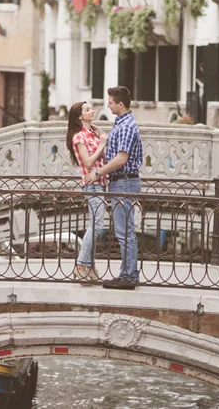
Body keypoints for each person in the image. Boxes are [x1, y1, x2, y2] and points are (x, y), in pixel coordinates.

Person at [87, 85, 143, 290]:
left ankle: (128, 277)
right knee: (124, 230)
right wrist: (102, 136)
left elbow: (121, 158)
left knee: (124, 231)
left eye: (110, 102)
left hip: (125, 181)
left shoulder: (127, 126)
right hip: (121, 181)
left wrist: (97, 173)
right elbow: (113, 152)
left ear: (120, 104)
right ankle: (129, 274)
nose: (108, 106)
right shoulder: (121, 123)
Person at [66, 101, 108, 284]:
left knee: (95, 226)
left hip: (100, 183)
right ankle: (81, 265)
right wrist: (102, 144)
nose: (92, 111)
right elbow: (88, 162)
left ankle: (89, 266)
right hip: (91, 185)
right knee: (96, 227)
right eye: (87, 110)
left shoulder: (91, 134)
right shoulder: (78, 137)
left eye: (91, 108)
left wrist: (99, 134)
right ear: (79, 116)